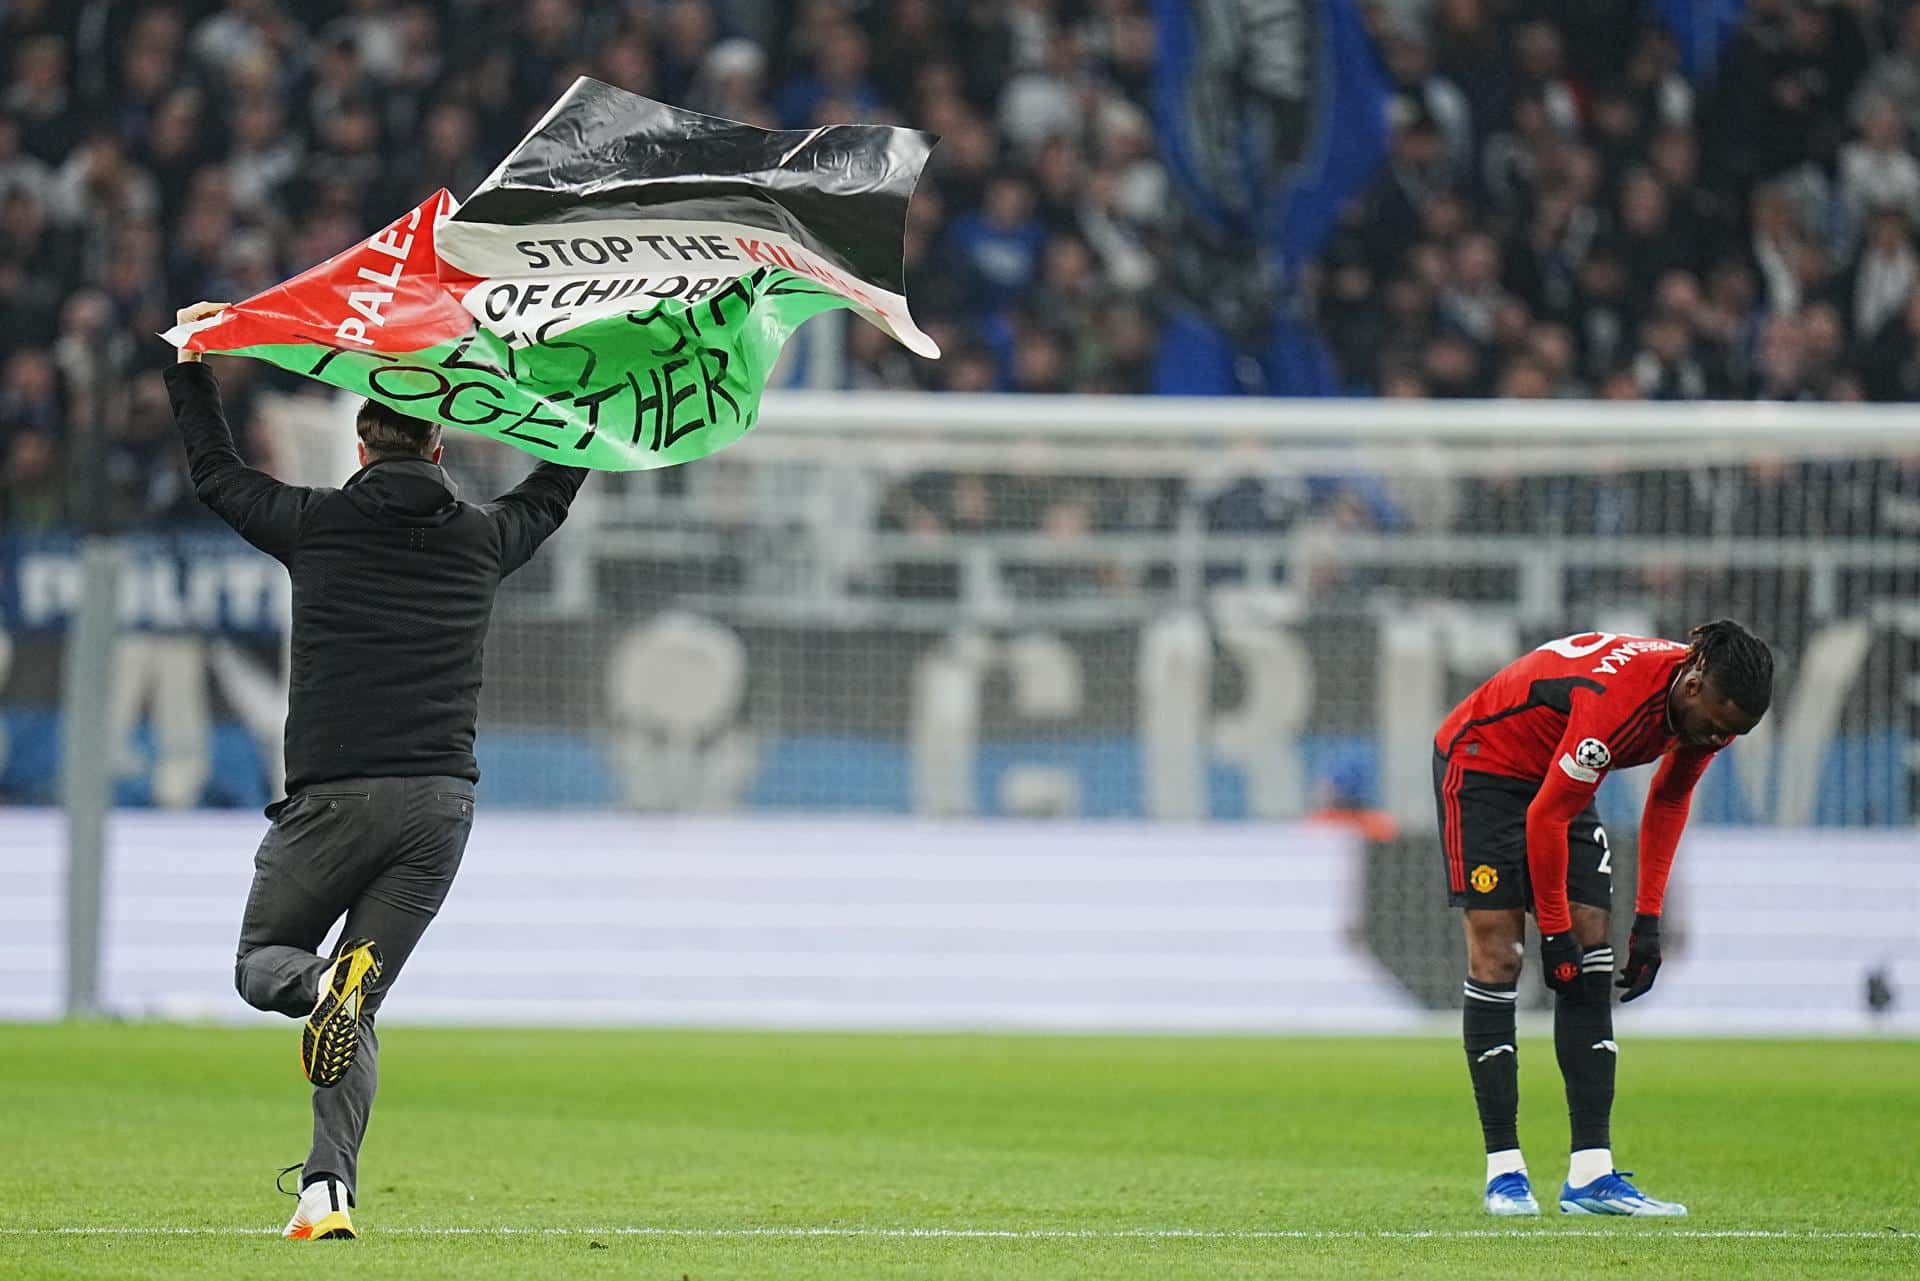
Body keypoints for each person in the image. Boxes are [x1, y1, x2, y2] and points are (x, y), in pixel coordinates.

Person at [163, 301, 590, 1241]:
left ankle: (319, 991)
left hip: (331, 803)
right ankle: (327, 1191)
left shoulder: (312, 526)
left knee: (263, 968)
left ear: (360, 447)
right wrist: (596, 404)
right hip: (440, 810)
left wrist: (192, 364)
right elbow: (553, 489)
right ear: (439, 449)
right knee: (357, 1004)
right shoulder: (482, 537)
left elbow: (214, 475)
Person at [1432, 621, 1773, 1217]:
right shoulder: (1616, 706)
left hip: (1558, 773)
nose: (1721, 738)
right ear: (1694, 685)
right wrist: (1554, 933)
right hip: (1483, 764)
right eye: (1719, 724)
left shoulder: (1707, 713)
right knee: (1500, 954)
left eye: (1735, 732)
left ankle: (1591, 1175)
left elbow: (1667, 799)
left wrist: (1647, 921)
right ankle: (1504, 1173)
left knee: (1595, 950)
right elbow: (1543, 821)